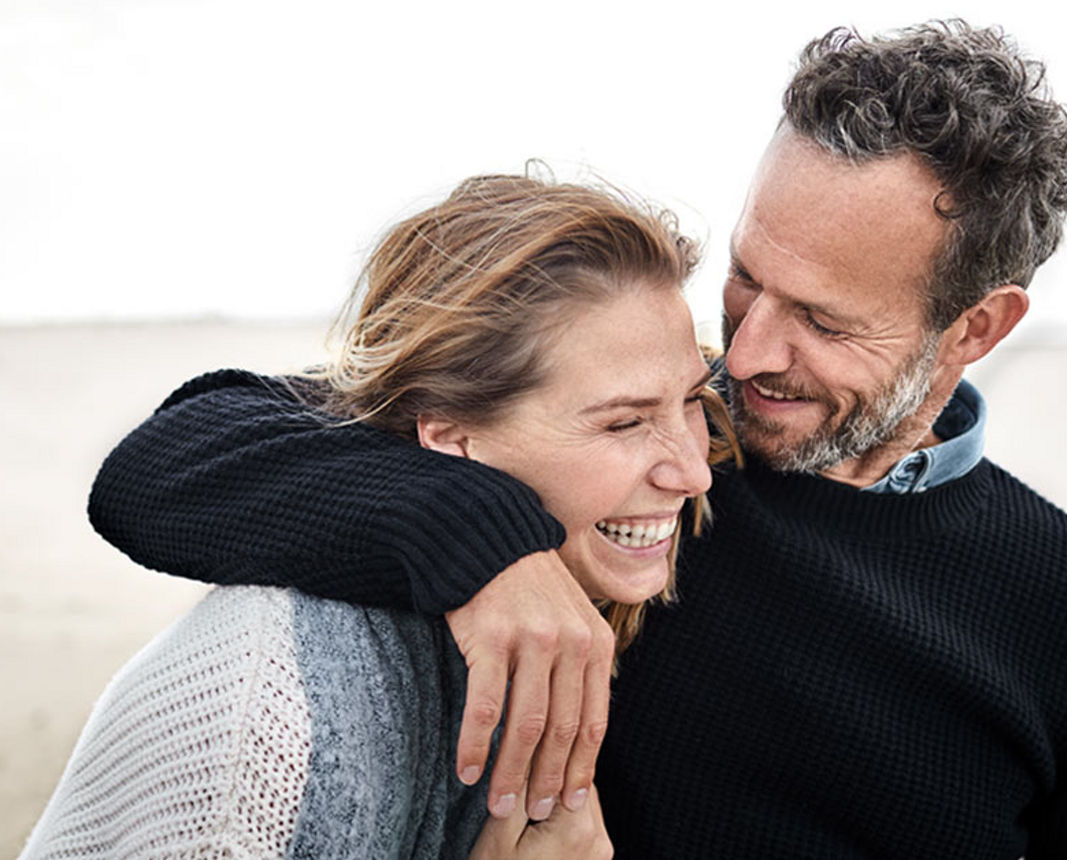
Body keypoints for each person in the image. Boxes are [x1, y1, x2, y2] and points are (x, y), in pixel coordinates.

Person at [84, 20, 1067, 858]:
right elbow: (172, 459)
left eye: (821, 320)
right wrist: (485, 543)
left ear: (977, 326)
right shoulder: (631, 448)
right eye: (748, 280)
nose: (750, 353)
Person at [22, 173, 733, 858]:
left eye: (694, 400)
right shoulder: (271, 721)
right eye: (622, 425)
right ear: (451, 441)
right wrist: (478, 534)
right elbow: (164, 459)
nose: (694, 469)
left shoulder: (729, 485)